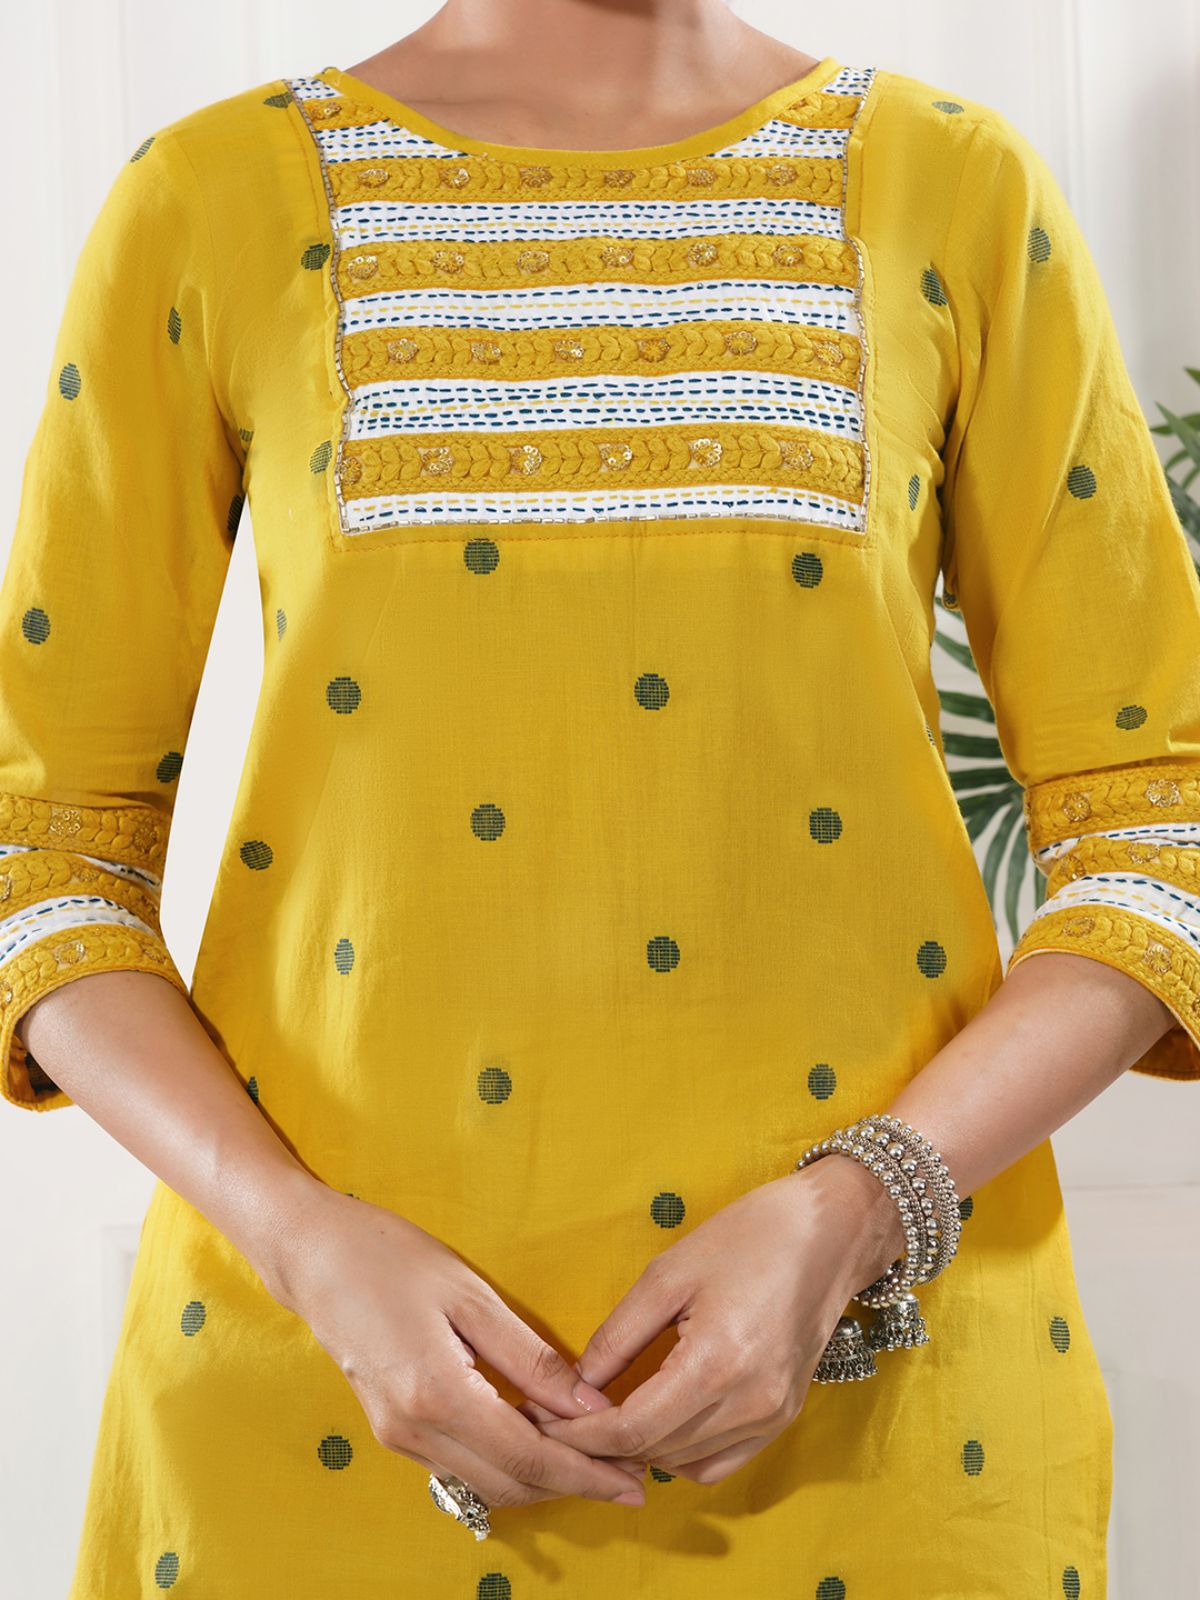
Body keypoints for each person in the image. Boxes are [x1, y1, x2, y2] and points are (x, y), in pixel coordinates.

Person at [2, 0, 1198, 1592]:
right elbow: (43, 851)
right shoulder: (207, 197)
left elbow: (1161, 827)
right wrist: (300, 1241)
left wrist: (855, 1211)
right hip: (323, 1396)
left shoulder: (955, 184)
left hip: (882, 1396)